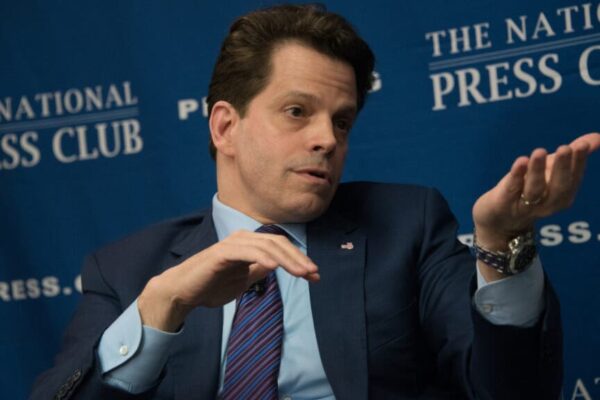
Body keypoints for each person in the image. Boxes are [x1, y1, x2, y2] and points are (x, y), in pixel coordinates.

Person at [31, 4, 599, 400]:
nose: (327, 139)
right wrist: (160, 309)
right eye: (297, 112)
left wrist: (501, 245)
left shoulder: (407, 227)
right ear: (225, 127)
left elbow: (511, 390)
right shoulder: (129, 270)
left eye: (342, 121)